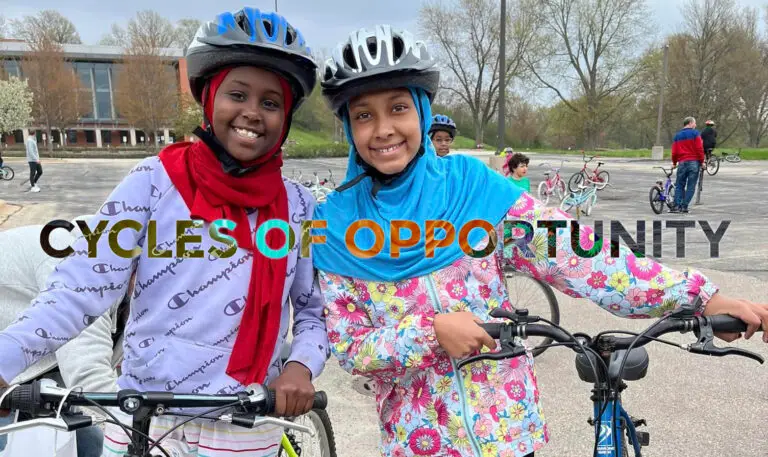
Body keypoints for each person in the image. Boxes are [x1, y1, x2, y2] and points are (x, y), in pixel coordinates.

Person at [312, 24, 768, 457]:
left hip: (507, 430)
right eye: (363, 115)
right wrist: (431, 333)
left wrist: (701, 297)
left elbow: (582, 256)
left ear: (422, 111)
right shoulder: (335, 224)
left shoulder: (475, 188)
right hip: (418, 441)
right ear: (350, 129)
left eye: (397, 108)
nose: (383, 129)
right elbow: (352, 348)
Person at [0, 8, 330, 457]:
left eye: (271, 103)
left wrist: (300, 367)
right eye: (238, 94)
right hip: (144, 420)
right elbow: (79, 286)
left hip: (246, 425)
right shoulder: (150, 182)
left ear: (286, 116)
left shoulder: (300, 208)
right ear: (209, 97)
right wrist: (6, 357)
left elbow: (313, 312)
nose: (253, 112)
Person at [0, 216, 127, 457]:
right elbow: (88, 373)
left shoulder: (131, 289)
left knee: (88, 442)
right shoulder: (79, 261)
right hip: (11, 371)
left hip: (34, 375)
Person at [671, 116, 706, 213]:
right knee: (691, 186)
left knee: (679, 185)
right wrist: (702, 161)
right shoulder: (695, 133)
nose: (696, 125)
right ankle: (684, 206)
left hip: (682, 163)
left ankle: (677, 206)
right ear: (690, 123)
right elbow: (699, 149)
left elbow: (674, 152)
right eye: (695, 123)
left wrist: (674, 163)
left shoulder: (677, 136)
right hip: (694, 163)